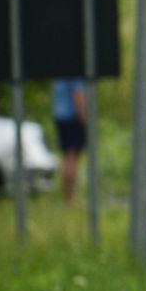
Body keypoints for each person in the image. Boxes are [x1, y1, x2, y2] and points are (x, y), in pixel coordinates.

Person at [51, 76, 87, 204]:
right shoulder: (76, 71)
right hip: (73, 117)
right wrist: (84, 118)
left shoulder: (61, 72)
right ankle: (70, 198)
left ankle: (68, 197)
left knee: (66, 158)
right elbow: (78, 94)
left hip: (60, 116)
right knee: (73, 159)